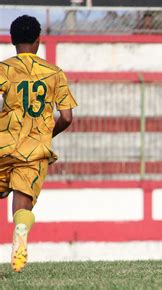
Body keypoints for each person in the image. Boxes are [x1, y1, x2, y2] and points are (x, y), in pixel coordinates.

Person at [0, 15, 78, 272]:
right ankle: (20, 234)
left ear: (12, 42)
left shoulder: (5, 68)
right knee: (23, 202)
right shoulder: (54, 73)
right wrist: (45, 135)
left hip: (3, 145)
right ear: (37, 41)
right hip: (33, 150)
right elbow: (66, 117)